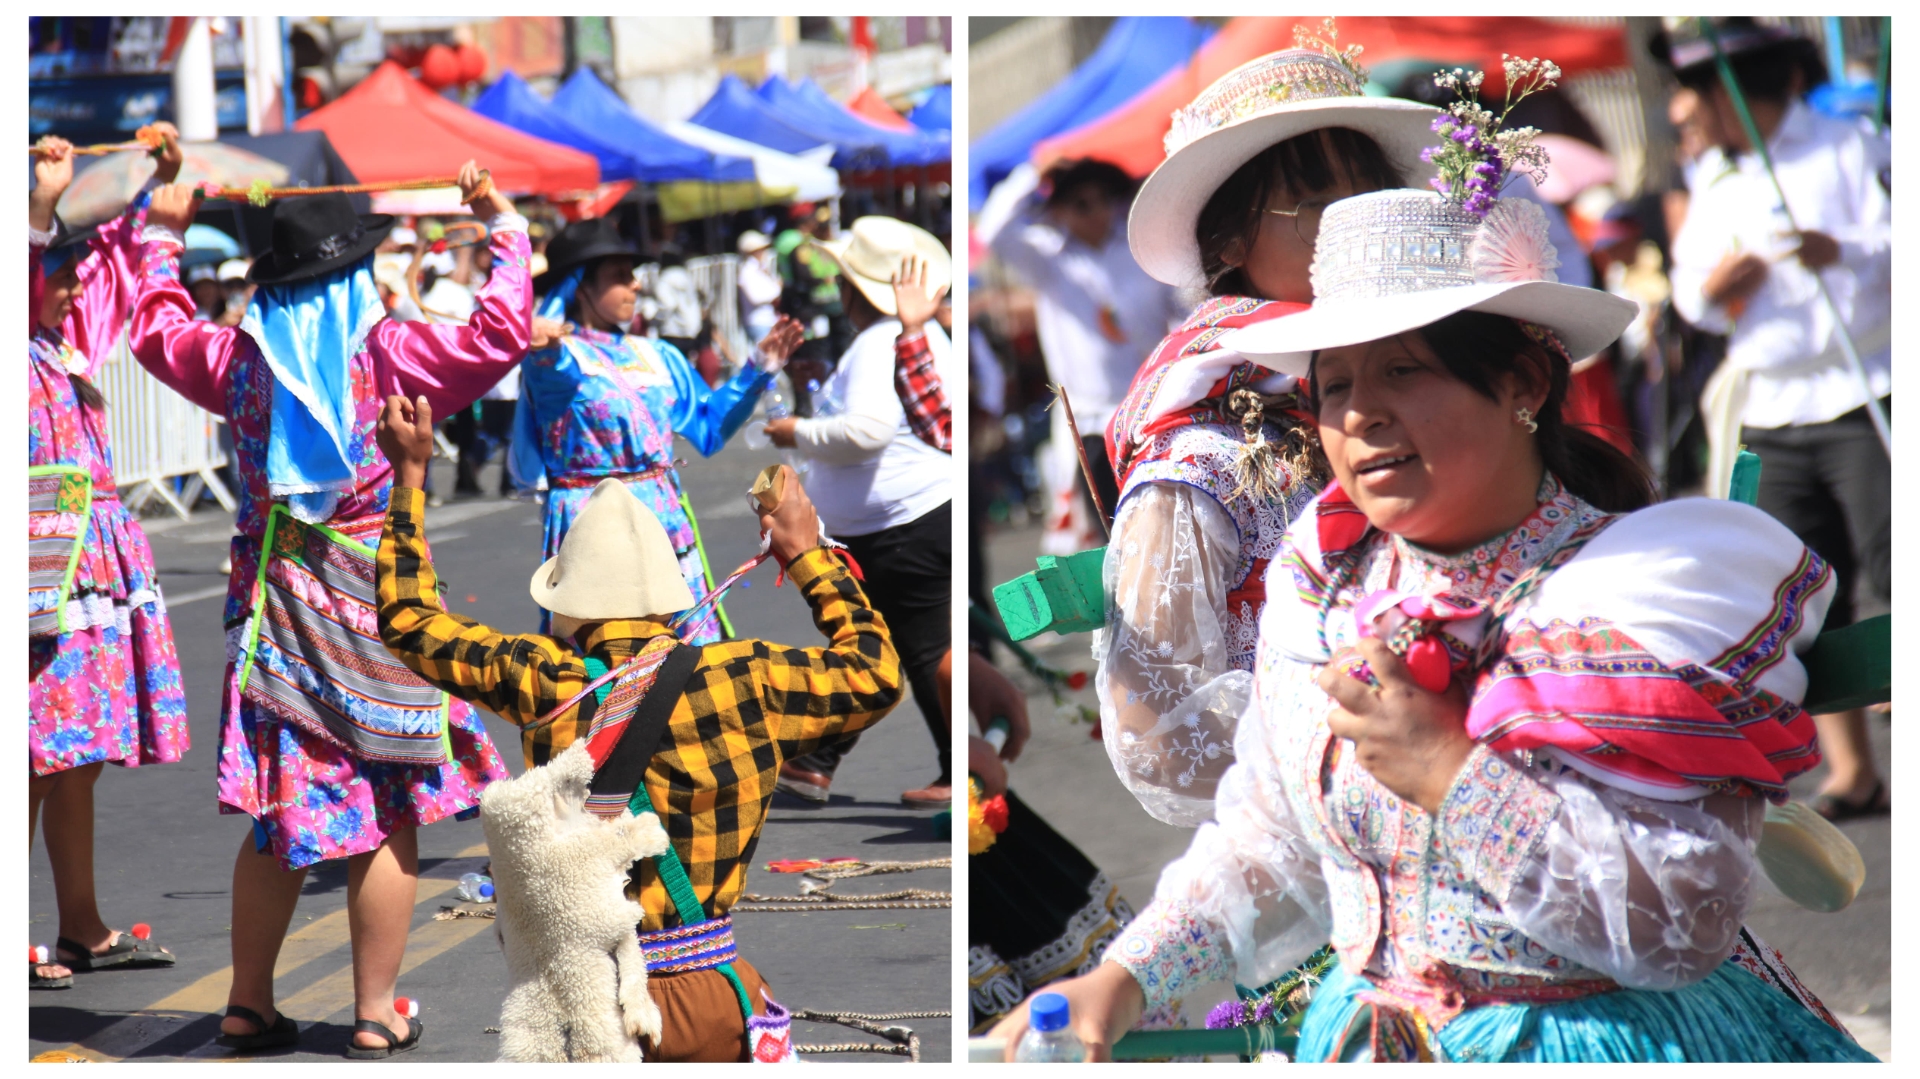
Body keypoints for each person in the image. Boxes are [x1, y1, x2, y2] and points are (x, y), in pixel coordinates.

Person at [991, 145, 1870, 1061]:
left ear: (1525, 383)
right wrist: (1123, 978)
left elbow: (1684, 924)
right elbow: (1268, 832)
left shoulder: (1642, 588)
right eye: (1335, 384)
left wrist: (1454, 772)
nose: (1361, 413)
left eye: (1404, 372)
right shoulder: (1326, 578)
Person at [128, 162, 528, 1058]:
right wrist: (503, 225)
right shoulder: (391, 353)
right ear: (353, 273)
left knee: (282, 812)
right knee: (388, 808)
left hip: (273, 606)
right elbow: (502, 332)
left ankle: (247, 1002)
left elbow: (154, 330)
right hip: (375, 599)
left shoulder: (238, 360)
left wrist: (163, 229)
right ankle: (375, 1010)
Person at [371, 400, 905, 1061]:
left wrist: (411, 476)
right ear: (669, 597)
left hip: (594, 1003)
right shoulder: (746, 677)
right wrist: (806, 556)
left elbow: (407, 619)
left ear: (566, 608)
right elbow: (876, 672)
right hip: (714, 997)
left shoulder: (547, 679)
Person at [1095, 39, 1437, 828]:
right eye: (1318, 206)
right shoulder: (1203, 462)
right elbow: (1154, 725)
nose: (1356, 225)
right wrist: (1358, 762)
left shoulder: (1442, 395)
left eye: (1370, 195)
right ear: (1228, 246)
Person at [1662, 20, 1890, 822]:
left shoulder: (1850, 144)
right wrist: (1720, 280)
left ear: (1747, 93)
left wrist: (1846, 252)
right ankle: (1853, 769)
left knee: (1897, 575)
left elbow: (1897, 239)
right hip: (1777, 406)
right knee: (1800, 594)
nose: (1692, 114)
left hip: (1866, 390)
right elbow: (1691, 295)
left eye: (1705, 98)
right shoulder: (1718, 179)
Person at [29, 126, 190, 991]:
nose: (67, 284)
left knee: (73, 750)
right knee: (31, 753)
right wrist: (46, 201)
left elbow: (119, 266)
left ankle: (81, 923)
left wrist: (158, 177)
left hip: (85, 567)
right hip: (33, 573)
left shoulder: (62, 342)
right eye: (53, 271)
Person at [508, 216, 804, 643]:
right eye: (620, 277)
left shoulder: (656, 354)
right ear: (580, 286)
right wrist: (539, 338)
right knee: (605, 650)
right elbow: (547, 367)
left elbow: (708, 428)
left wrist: (757, 371)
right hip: (591, 518)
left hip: (660, 515)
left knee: (681, 651)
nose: (635, 286)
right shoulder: (558, 360)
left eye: (633, 276)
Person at [768, 217, 954, 808]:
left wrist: (797, 430)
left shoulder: (880, 341)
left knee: (911, 651)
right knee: (885, 648)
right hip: (900, 523)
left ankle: (958, 771)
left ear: (854, 289)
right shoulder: (897, 338)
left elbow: (869, 431)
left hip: (902, 527)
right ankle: (818, 761)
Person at [976, 156, 1188, 547]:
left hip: (1153, 414)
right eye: (1081, 204)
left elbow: (1187, 311)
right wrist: (1033, 172)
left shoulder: (1141, 252)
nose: (1096, 212)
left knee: (1167, 527)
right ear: (1060, 210)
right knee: (1116, 537)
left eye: (1103, 200)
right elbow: (992, 231)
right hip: (1091, 423)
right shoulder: (1048, 260)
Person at [735, 229, 782, 344]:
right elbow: (755, 297)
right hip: (758, 322)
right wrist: (777, 290)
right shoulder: (747, 271)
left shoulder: (758, 269)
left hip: (767, 321)